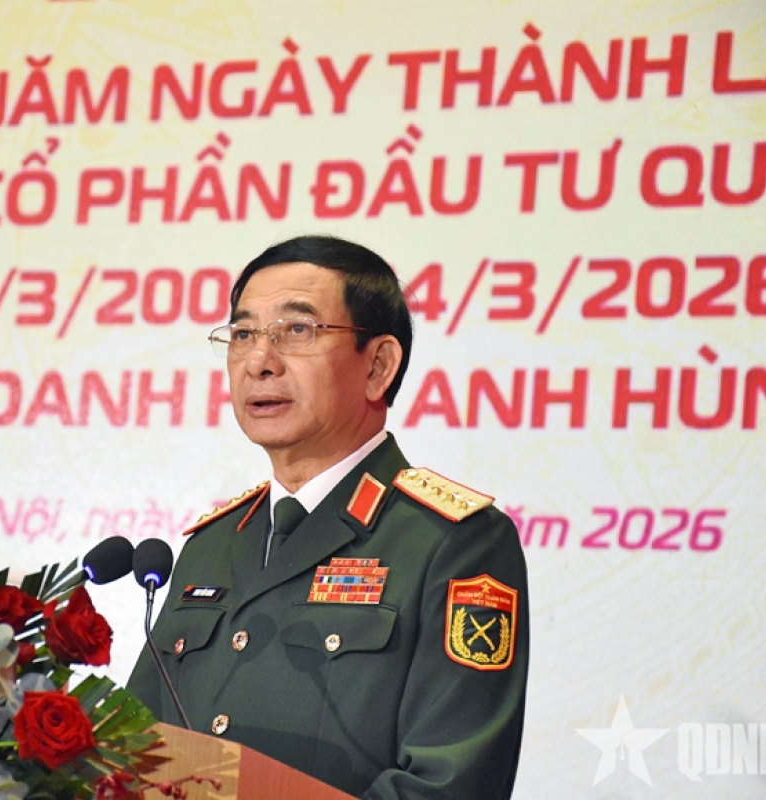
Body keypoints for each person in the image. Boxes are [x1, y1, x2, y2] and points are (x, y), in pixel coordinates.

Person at [127, 236, 529, 800]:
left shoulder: (454, 543)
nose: (260, 362)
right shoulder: (211, 543)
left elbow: (448, 785)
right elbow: (132, 753)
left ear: (379, 365)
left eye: (297, 331)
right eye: (243, 334)